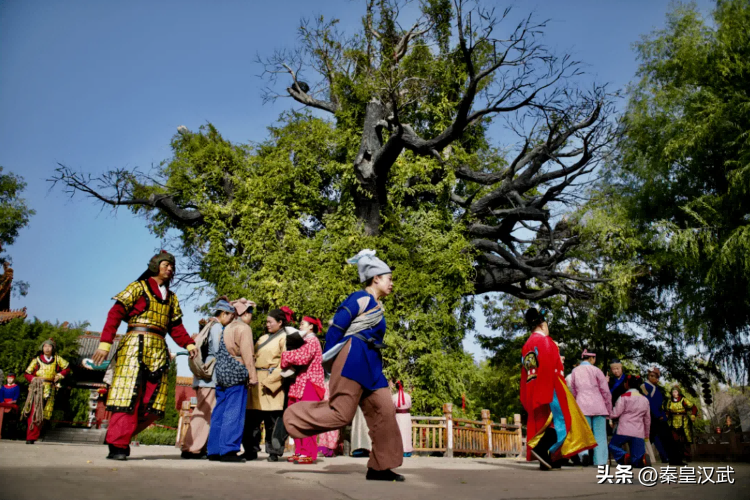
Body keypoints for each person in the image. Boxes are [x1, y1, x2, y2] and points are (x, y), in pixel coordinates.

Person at [284, 249, 405, 482]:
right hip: (353, 356)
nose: (392, 283)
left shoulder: (379, 307)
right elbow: (337, 328)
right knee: (341, 414)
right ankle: (292, 417)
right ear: (376, 278)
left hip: (372, 364)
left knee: (385, 412)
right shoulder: (360, 298)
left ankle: (380, 467)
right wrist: (332, 358)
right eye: (389, 278)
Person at [91, 251, 197, 460]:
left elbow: (175, 327)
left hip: (158, 347)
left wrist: (189, 343)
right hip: (133, 345)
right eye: (166, 265)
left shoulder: (172, 298)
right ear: (155, 265)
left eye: (172, 266)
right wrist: (105, 343)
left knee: (154, 403)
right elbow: (115, 314)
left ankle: (119, 436)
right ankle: (118, 445)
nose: (170, 269)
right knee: (127, 396)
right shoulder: (137, 288)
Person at [520, 308, 596, 470]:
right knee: (562, 420)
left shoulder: (527, 345)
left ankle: (551, 458)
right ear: (542, 325)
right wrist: (549, 391)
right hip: (550, 386)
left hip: (533, 386)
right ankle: (542, 449)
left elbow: (526, 372)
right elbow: (549, 368)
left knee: (545, 423)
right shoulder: (545, 342)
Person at [207, 298, 257, 463]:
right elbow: (247, 355)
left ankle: (214, 450)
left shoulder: (226, 327)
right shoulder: (244, 329)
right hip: (236, 372)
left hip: (221, 373)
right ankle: (228, 449)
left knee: (219, 411)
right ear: (244, 313)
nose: (251, 316)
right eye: (251, 312)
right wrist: (253, 376)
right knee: (234, 412)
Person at [180, 304, 226, 459]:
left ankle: (196, 446)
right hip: (209, 378)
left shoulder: (208, 326)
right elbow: (218, 350)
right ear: (224, 313)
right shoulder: (216, 327)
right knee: (204, 412)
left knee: (204, 412)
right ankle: (192, 448)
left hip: (203, 377)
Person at [278, 316, 326, 464]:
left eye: (303, 323)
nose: (300, 325)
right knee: (297, 418)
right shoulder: (304, 341)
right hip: (300, 383)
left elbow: (302, 357)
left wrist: (285, 355)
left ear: (311, 327)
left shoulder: (312, 340)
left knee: (307, 418)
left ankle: (309, 452)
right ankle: (300, 451)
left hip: (310, 383)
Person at [243, 308, 288, 461]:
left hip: (272, 382)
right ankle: (250, 450)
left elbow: (285, 363)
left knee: (273, 421)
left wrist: (271, 381)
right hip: (256, 381)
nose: (267, 324)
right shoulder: (262, 338)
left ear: (280, 322)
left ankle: (274, 451)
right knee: (251, 419)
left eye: (270, 322)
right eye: (267, 322)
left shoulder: (285, 338)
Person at [568, 349, 612, 467]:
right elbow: (605, 391)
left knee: (584, 433)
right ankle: (600, 461)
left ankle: (584, 454)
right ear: (592, 359)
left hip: (582, 405)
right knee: (600, 436)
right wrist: (609, 409)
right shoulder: (597, 370)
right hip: (598, 406)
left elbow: (574, 390)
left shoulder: (575, 371)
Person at [22, 339, 71, 444]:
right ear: (42, 348)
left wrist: (59, 375)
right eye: (45, 346)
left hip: (50, 387)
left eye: (49, 346)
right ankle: (30, 437)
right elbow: (27, 373)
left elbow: (67, 368)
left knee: (44, 413)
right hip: (37, 388)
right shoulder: (36, 360)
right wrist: (33, 379)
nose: (47, 348)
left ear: (53, 348)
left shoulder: (57, 359)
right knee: (35, 411)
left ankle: (36, 435)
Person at [608, 375, 651, 467]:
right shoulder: (645, 400)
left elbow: (615, 413)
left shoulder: (624, 397)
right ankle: (641, 459)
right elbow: (647, 419)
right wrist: (646, 435)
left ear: (627, 384)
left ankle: (624, 456)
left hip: (624, 430)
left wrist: (607, 414)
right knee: (636, 458)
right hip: (638, 432)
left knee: (613, 445)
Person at [641, 367, 670, 463]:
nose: (654, 378)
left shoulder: (655, 388)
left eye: (656, 376)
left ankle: (664, 456)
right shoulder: (644, 386)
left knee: (655, 437)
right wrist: (657, 415)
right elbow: (649, 402)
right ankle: (663, 456)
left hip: (658, 415)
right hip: (651, 415)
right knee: (654, 437)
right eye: (651, 376)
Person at [665, 385, 698, 466]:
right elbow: (666, 410)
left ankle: (686, 456)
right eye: (673, 392)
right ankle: (675, 456)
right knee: (674, 440)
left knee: (685, 439)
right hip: (673, 421)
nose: (674, 393)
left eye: (675, 392)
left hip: (684, 421)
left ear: (678, 392)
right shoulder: (669, 402)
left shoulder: (683, 400)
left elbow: (693, 407)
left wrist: (693, 415)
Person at [316, 374, 340, 457]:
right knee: (325, 419)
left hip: (331, 385)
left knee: (330, 418)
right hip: (326, 385)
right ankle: (325, 448)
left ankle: (329, 448)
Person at [391, 380, 413, 457]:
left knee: (399, 433)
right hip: (406, 416)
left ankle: (398, 450)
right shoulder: (408, 396)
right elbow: (410, 406)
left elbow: (392, 407)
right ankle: (407, 451)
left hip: (398, 416)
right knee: (406, 433)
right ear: (403, 386)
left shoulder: (393, 397)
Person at [0, 372, 21, 440]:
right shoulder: (3, 387)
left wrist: (12, 402)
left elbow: (16, 396)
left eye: (11, 378)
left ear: (14, 379)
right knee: (2, 421)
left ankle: (12, 436)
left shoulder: (16, 387)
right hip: (3, 405)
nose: (9, 380)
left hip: (12, 405)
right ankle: (2, 434)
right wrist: (3, 402)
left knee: (12, 422)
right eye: (8, 378)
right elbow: (0, 396)